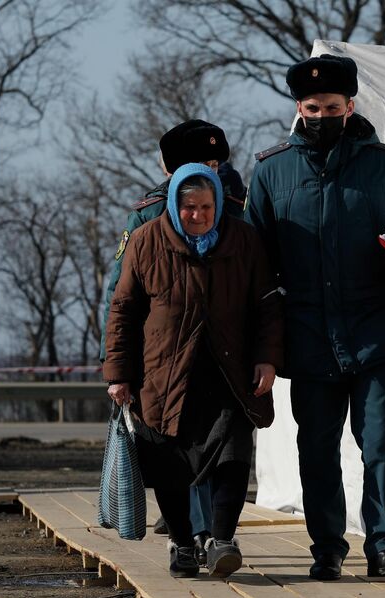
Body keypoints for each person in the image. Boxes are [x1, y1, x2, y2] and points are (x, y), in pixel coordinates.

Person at [246, 54, 385, 580]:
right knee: (316, 451)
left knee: (382, 443)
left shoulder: (384, 166)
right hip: (308, 339)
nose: (321, 115)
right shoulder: (271, 171)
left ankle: (384, 547)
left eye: (331, 107)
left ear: (350, 106)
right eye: (312, 107)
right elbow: (251, 259)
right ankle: (328, 549)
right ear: (298, 108)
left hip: (374, 333)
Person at [103, 162, 283, 578]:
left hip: (229, 372)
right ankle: (183, 544)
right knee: (167, 462)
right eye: (188, 208)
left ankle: (221, 540)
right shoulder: (146, 241)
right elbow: (123, 310)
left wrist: (267, 358)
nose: (198, 215)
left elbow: (268, 305)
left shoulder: (244, 240)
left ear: (218, 204)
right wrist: (118, 373)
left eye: (205, 206)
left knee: (234, 454)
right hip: (163, 374)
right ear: (173, 205)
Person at [99, 119, 246, 563]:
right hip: (163, 357)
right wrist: (119, 364)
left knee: (220, 448)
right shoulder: (149, 216)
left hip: (222, 354)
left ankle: (207, 536)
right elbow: (120, 295)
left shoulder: (242, 208)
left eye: (215, 162)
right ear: (169, 169)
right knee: (173, 453)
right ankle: (191, 535)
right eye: (197, 163)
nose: (208, 170)